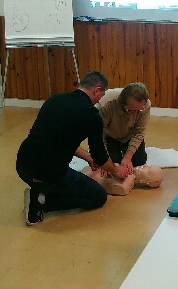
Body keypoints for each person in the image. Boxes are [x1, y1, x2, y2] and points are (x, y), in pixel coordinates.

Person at [16, 71, 130, 226]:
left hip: (23, 165)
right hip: (47, 174)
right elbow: (100, 157)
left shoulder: (54, 100)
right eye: (101, 95)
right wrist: (117, 171)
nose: (99, 100)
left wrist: (88, 158)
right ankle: (41, 201)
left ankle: (40, 191)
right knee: (98, 197)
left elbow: (57, 138)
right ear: (96, 90)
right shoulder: (91, 115)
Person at [98, 83, 151, 174]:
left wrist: (127, 157)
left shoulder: (145, 105)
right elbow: (98, 134)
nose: (135, 114)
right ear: (122, 103)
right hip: (110, 135)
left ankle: (124, 149)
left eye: (138, 111)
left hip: (130, 134)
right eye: (131, 110)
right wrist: (104, 160)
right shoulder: (105, 104)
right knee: (114, 162)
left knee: (139, 161)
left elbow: (139, 132)